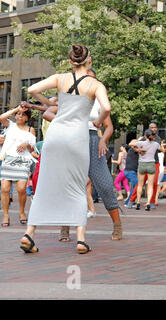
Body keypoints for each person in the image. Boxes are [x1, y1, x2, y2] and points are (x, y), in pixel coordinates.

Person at [20, 44, 111, 254]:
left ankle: (29, 234)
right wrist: (97, 122)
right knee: (79, 186)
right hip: (77, 137)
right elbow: (106, 108)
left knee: (44, 184)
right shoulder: (95, 84)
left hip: (55, 135)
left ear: (71, 61)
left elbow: (32, 90)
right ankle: (80, 240)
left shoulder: (60, 78)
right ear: (90, 62)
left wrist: (51, 105)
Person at [39, 68, 123, 241]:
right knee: (69, 184)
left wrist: (102, 140)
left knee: (105, 184)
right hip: (72, 140)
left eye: (92, 79)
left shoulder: (98, 100)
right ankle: (65, 228)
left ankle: (117, 224)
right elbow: (48, 113)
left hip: (92, 140)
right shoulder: (70, 98)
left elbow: (109, 126)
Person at [0, 105, 36, 227]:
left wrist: (26, 144)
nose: (20, 116)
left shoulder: (30, 129)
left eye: (23, 114)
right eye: (18, 114)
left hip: (23, 160)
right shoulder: (10, 125)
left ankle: (21, 212)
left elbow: (32, 149)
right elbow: (1, 117)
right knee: (5, 188)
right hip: (9, 159)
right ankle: (5, 214)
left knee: (21, 189)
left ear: (27, 118)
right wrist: (16, 109)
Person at [135, 130, 165, 211]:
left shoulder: (140, 143)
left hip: (142, 164)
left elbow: (131, 143)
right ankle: (148, 203)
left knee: (140, 185)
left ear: (145, 136)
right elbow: (163, 150)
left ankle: (138, 202)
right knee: (150, 185)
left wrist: (139, 144)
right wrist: (161, 144)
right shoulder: (156, 144)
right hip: (151, 164)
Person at [123, 139, 139, 207]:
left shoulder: (131, 150)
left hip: (129, 171)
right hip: (130, 172)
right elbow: (131, 143)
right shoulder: (132, 149)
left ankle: (131, 201)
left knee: (135, 186)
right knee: (136, 186)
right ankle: (128, 202)